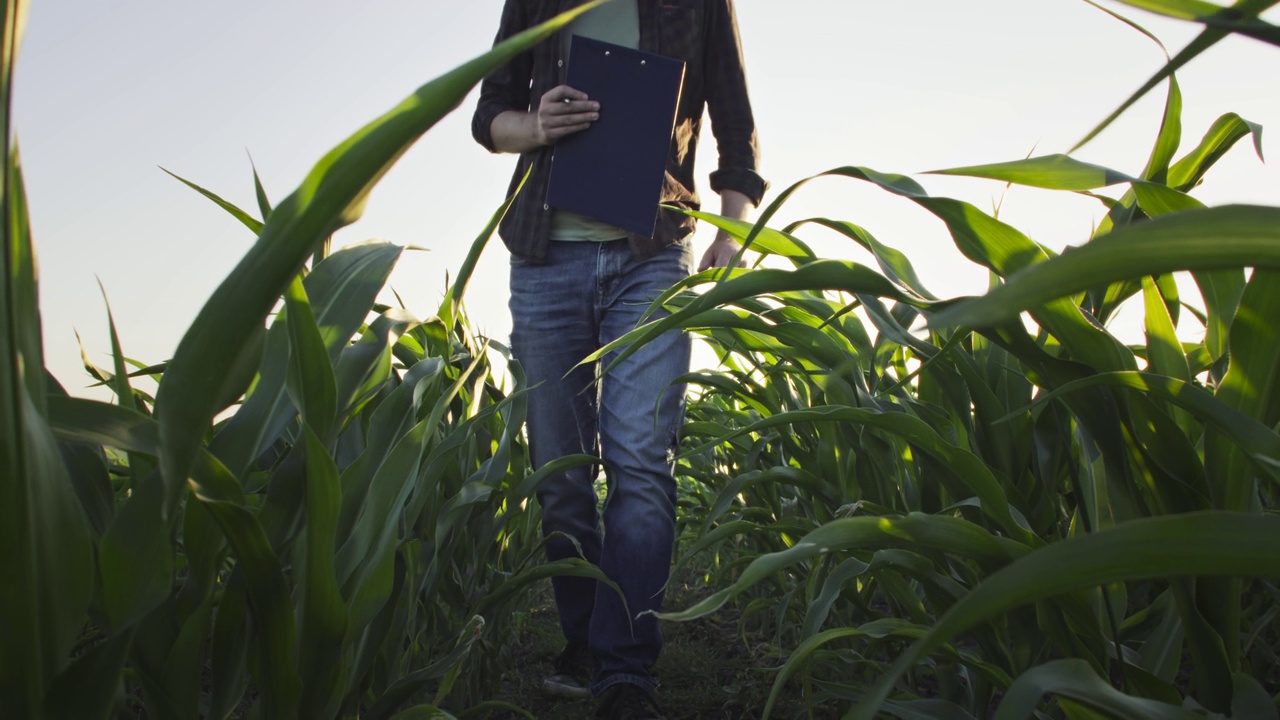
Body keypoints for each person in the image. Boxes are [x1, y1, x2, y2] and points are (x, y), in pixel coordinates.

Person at [471, 1, 764, 717]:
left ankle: (625, 671)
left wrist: (734, 223)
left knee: (640, 460)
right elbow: (491, 116)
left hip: (652, 256)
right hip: (545, 261)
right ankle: (585, 638)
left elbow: (735, 119)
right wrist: (534, 125)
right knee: (563, 474)